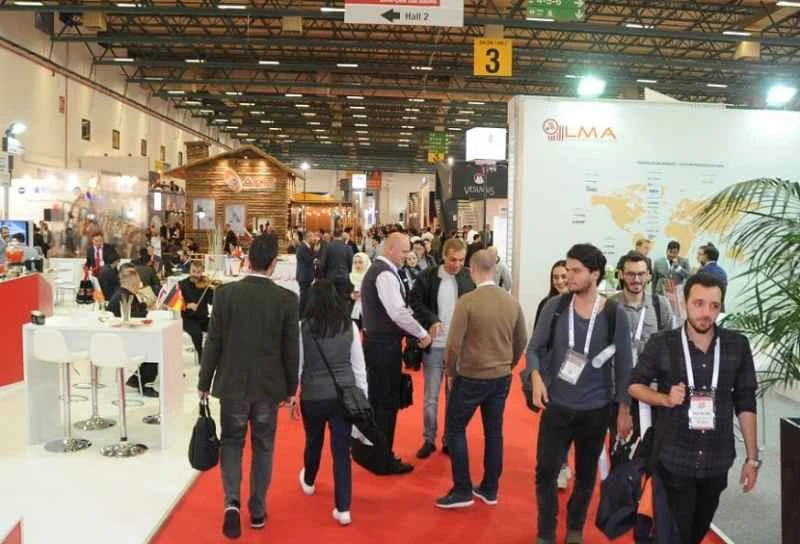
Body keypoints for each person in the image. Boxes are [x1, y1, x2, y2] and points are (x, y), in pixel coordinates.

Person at [629, 273, 759, 544]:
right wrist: (665, 399)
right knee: (674, 533)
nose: (706, 313)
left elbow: (746, 401)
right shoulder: (663, 343)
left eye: (714, 305)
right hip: (673, 458)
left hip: (716, 460)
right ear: (684, 302)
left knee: (697, 530)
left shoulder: (737, 346)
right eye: (699, 303)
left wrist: (752, 458)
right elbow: (635, 385)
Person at [523, 243, 634, 544]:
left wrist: (624, 411)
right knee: (546, 472)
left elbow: (625, 365)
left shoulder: (614, 314)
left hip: (596, 410)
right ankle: (546, 532)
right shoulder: (556, 307)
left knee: (586, 475)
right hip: (556, 406)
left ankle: (575, 527)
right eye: (567, 269)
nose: (568, 276)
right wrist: (536, 377)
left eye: (576, 271)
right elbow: (534, 349)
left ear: (595, 274)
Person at [198, 234, 299, 539]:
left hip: (232, 384)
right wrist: (291, 388)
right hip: (269, 387)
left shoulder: (225, 294)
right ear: (273, 263)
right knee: (263, 445)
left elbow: (213, 342)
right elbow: (290, 349)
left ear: (248, 260)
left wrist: (204, 381)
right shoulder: (286, 299)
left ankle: (231, 502)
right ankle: (257, 509)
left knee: (232, 442)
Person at [435, 250, 527, 508]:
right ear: (495, 270)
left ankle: (462, 489)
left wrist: (450, 373)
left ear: (472, 270)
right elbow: (521, 339)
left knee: (455, 429)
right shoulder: (511, 301)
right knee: (494, 432)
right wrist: (508, 364)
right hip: (501, 376)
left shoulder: (467, 301)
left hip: (471, 376)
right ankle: (490, 488)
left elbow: (453, 344)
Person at [296, 280, 368, 526]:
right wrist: (362, 396)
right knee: (341, 452)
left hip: (313, 395)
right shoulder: (350, 326)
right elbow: (359, 368)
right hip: (343, 396)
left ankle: (309, 480)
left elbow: (298, 365)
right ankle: (343, 508)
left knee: (313, 440)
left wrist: (293, 394)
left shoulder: (303, 328)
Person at [360, 232, 433, 475]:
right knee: (385, 404)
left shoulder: (382, 271)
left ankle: (376, 454)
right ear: (390, 249)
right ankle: (382, 459)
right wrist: (422, 333)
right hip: (383, 347)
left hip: (379, 344)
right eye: (403, 251)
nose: (407, 256)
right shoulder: (384, 274)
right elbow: (398, 312)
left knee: (380, 402)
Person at [408, 238, 475, 459]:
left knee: (454, 398)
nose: (457, 264)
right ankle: (429, 439)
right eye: (453, 259)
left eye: (461, 260)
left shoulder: (468, 278)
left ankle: (449, 439)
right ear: (443, 256)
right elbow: (415, 301)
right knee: (431, 398)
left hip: (458, 348)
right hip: (434, 347)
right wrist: (432, 320)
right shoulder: (427, 277)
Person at [609, 251, 675, 439]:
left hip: (651, 390)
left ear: (649, 276)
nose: (636, 279)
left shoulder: (660, 305)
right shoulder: (609, 306)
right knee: (619, 447)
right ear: (621, 275)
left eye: (640, 274)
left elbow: (671, 345)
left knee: (651, 446)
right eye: (630, 274)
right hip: (616, 391)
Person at [108, 265, 159, 397]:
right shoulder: (124, 297)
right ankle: (144, 383)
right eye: (138, 281)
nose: (140, 284)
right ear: (132, 281)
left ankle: (137, 379)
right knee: (156, 345)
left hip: (124, 336)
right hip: (122, 341)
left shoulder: (125, 294)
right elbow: (133, 319)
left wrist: (145, 306)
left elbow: (135, 313)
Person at [179, 260, 214, 359]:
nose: (195, 274)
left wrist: (213, 291)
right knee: (197, 333)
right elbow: (176, 304)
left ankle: (214, 353)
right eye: (193, 271)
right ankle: (201, 356)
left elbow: (211, 301)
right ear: (189, 271)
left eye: (198, 272)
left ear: (202, 272)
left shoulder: (205, 285)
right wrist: (187, 305)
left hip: (203, 317)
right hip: (188, 318)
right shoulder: (182, 284)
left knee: (218, 327)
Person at [320, 230, 354, 300]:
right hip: (343, 277)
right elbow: (351, 265)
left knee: (330, 299)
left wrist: (324, 276)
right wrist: (347, 273)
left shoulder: (327, 247)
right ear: (341, 236)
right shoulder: (348, 248)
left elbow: (322, 264)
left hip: (330, 278)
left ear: (332, 236)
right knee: (341, 299)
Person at [296, 231, 318, 316]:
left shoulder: (307, 246)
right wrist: (315, 251)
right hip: (304, 276)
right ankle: (300, 315)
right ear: (308, 237)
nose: (314, 238)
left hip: (306, 276)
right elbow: (309, 259)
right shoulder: (302, 247)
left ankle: (304, 314)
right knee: (304, 297)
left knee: (306, 296)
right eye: (313, 236)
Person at [349, 252, 371, 330]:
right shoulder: (350, 277)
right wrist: (351, 296)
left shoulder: (370, 279)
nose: (357, 265)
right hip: (353, 315)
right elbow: (343, 296)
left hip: (368, 314)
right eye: (355, 262)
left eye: (360, 262)